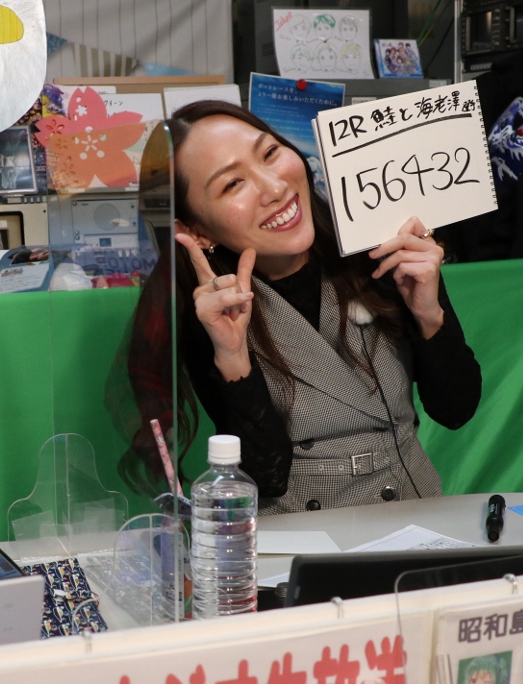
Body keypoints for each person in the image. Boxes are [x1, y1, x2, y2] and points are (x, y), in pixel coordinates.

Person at [121, 100, 481, 514]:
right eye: (233, 184)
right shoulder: (211, 311)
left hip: (413, 515)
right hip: (299, 537)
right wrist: (233, 356)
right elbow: (266, 478)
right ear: (196, 232)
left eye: (270, 152)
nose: (274, 187)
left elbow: (456, 410)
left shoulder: (384, 249)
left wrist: (429, 314)